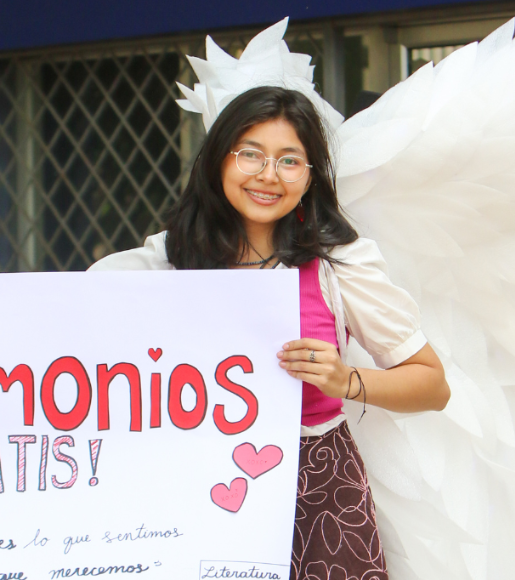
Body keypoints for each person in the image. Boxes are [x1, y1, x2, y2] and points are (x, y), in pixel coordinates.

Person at [87, 85, 451, 578]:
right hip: (195, 487)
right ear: (219, 161)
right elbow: (74, 327)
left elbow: (432, 384)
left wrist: (347, 381)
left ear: (310, 177)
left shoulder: (338, 264)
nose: (267, 175)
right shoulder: (165, 262)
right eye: (250, 154)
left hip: (322, 494)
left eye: (289, 161)